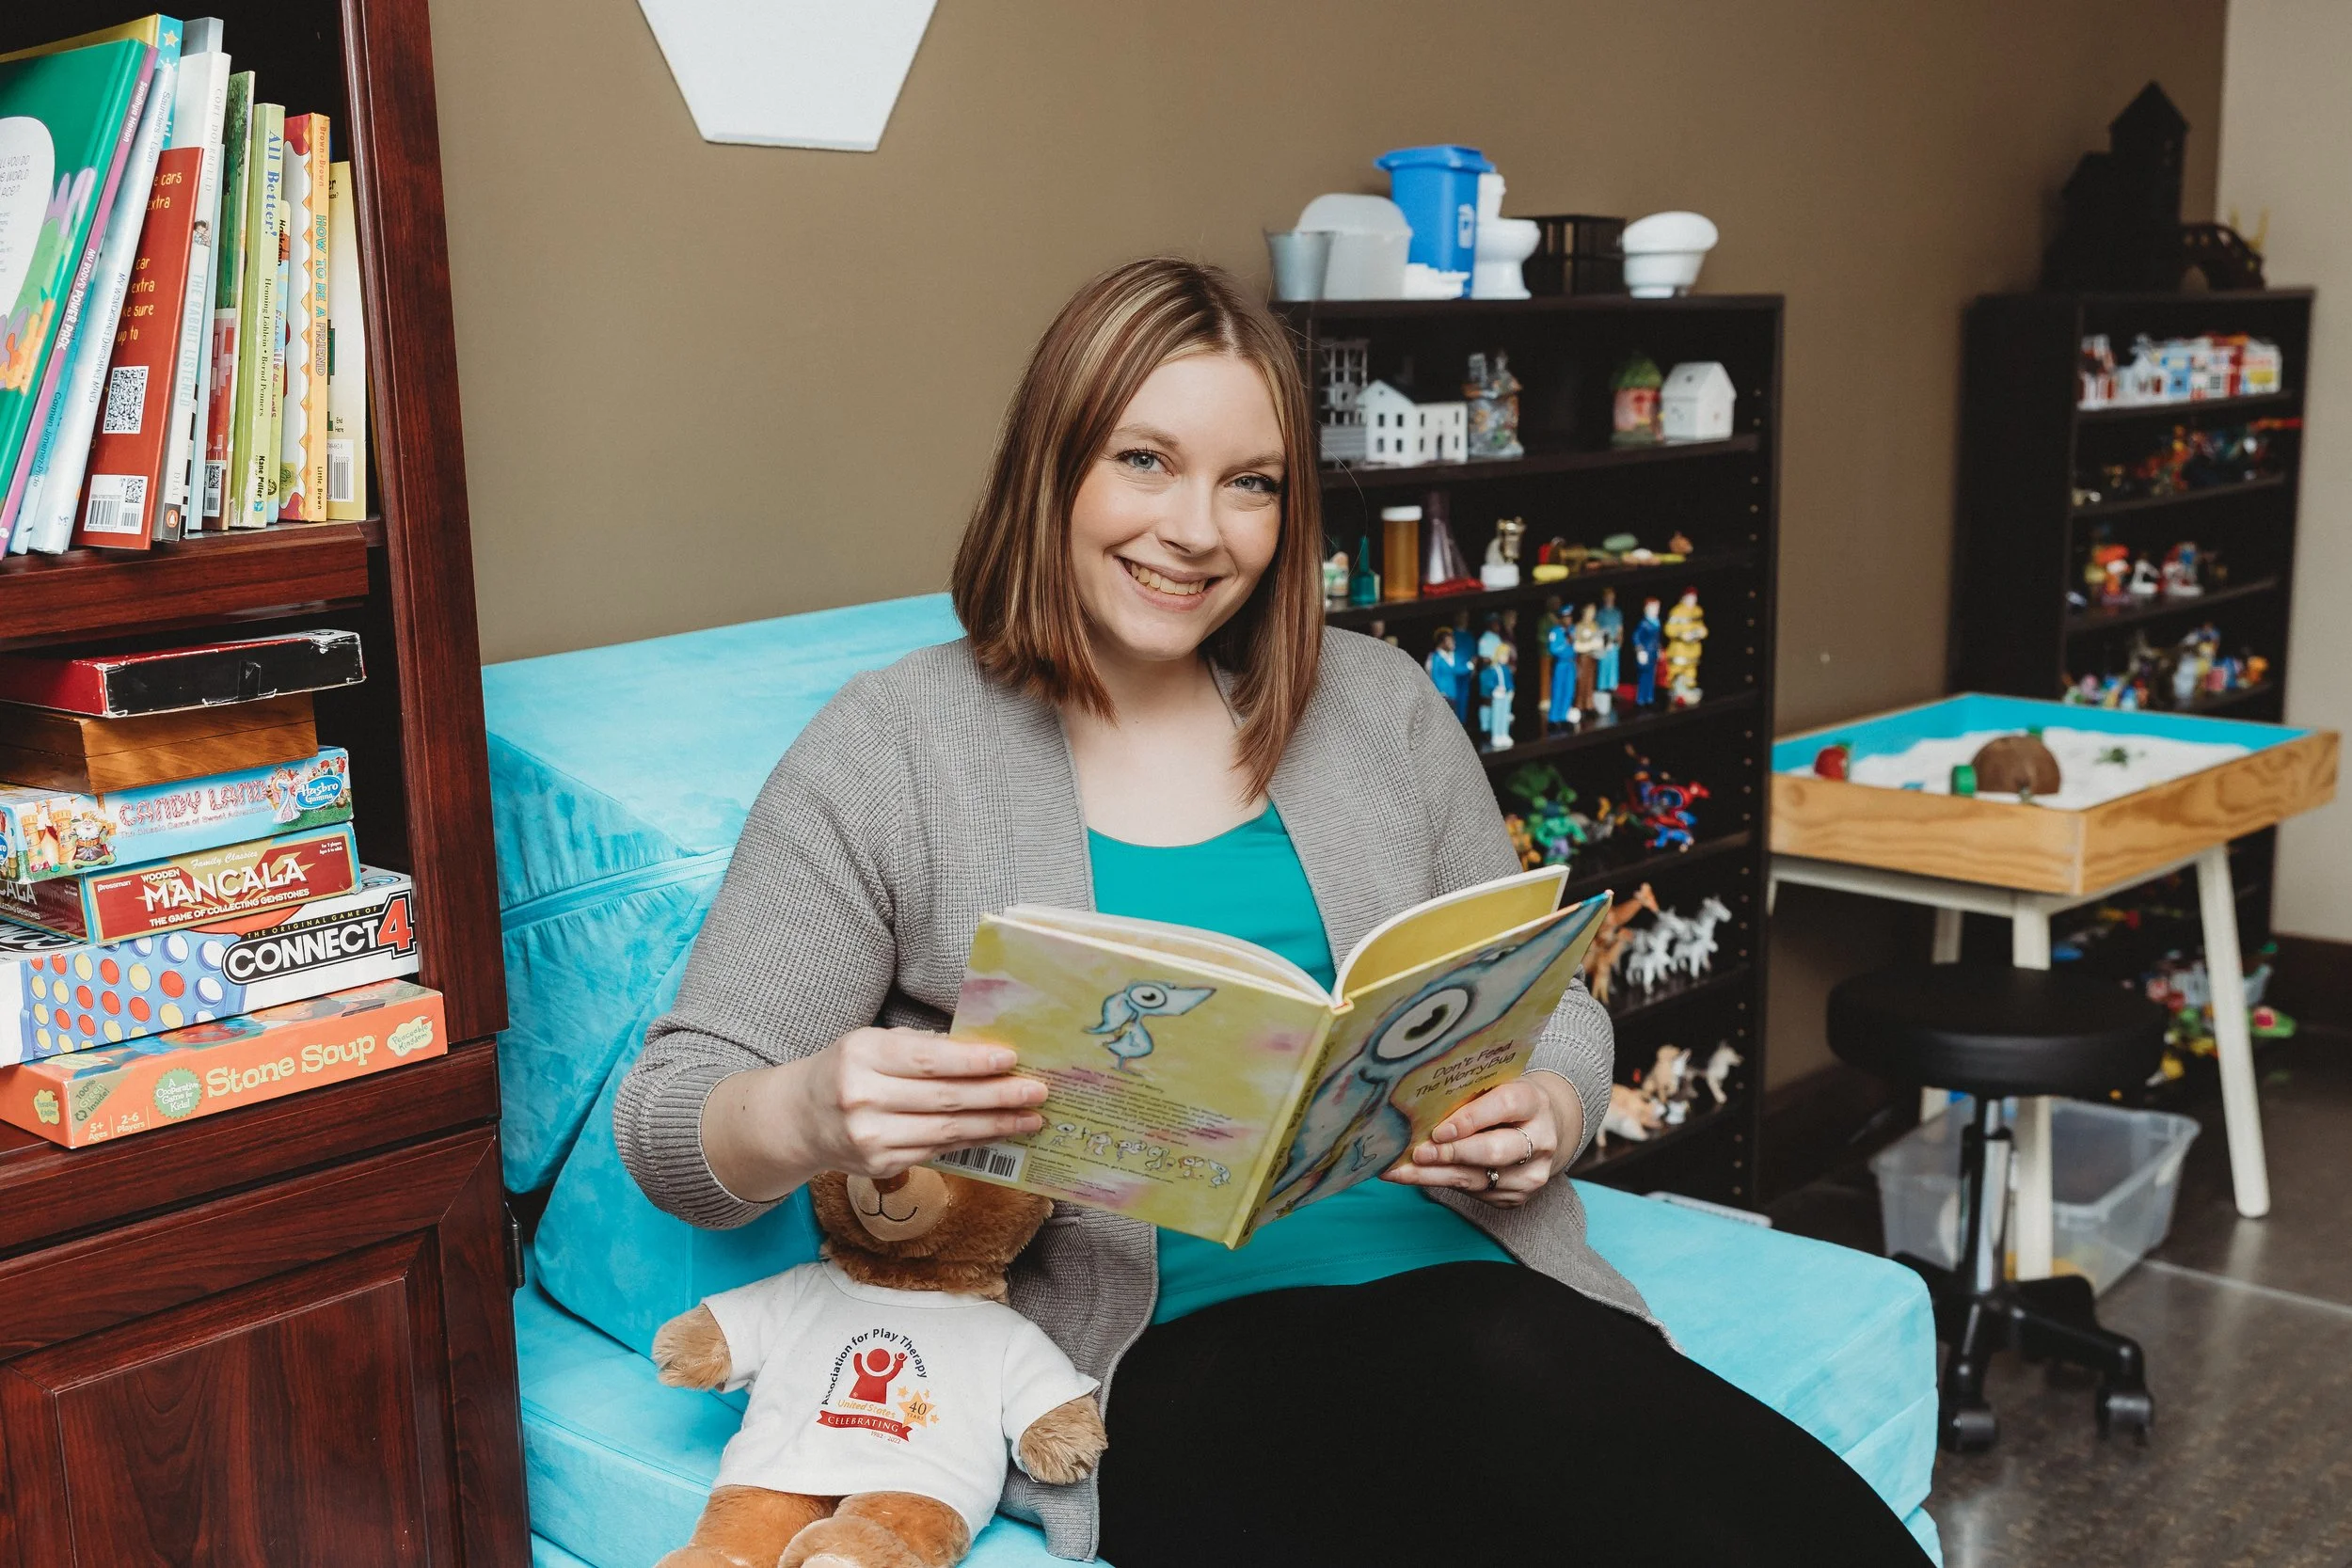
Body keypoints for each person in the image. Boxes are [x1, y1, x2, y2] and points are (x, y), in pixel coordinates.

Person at [615, 259, 1931, 1568]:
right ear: (1050, 469)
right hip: (1175, 1367)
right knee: (1510, 1398)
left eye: (1252, 484)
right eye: (1145, 461)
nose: (1200, 529)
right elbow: (675, 1117)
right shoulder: (893, 749)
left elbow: (1555, 1010)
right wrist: (805, 1110)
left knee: (1596, 1420)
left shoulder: (1378, 708)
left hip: (1481, 1294)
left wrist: (1554, 1107)